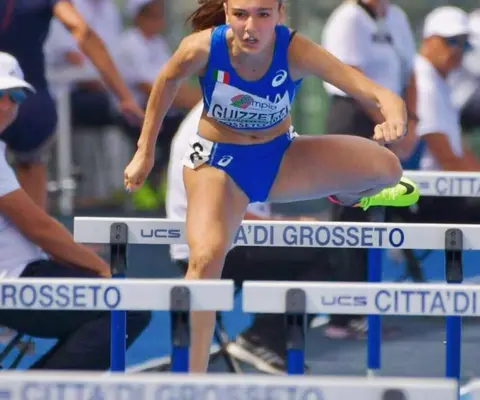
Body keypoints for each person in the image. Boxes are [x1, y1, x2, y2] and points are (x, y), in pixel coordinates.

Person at [124, 0, 419, 373]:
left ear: (280, 14)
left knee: (387, 167)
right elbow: (165, 82)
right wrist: (144, 153)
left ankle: (342, 192)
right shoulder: (201, 47)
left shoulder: (295, 49)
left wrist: (394, 117)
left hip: (278, 160)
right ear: (227, 14)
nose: (251, 27)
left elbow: (373, 91)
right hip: (218, 165)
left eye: (263, 15)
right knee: (206, 258)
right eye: (241, 15)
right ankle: (189, 382)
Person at [0, 52, 151, 370]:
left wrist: (74, 254)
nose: (6, 105)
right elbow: (37, 226)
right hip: (13, 283)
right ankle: (39, 393)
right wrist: (104, 271)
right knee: (129, 304)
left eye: (14, 96)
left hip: (18, 276)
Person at [167, 102, 334, 374]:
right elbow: (221, 211)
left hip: (228, 239)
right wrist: (292, 223)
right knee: (330, 250)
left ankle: (268, 334)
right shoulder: (212, 128)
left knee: (321, 239)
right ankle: (264, 337)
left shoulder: (232, 116)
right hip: (210, 248)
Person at [320, 0, 417, 339]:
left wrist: (408, 121)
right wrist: (393, 125)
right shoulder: (348, 19)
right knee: (349, 218)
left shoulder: (397, 17)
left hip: (387, 120)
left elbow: (411, 73)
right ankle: (343, 316)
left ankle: (362, 306)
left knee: (371, 216)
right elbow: (353, 82)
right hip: (354, 118)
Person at [0, 0, 144, 210]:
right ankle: (36, 241)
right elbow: (82, 31)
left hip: (28, 100)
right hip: (28, 98)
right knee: (31, 174)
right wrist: (124, 96)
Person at [117, 0, 202, 210]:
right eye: (153, 16)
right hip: (134, 111)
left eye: (160, 16)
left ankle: (163, 183)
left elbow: (176, 83)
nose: (159, 21)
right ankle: (145, 187)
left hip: (161, 109)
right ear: (139, 17)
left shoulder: (157, 43)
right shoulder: (130, 44)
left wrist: (202, 100)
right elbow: (153, 87)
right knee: (178, 125)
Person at [413, 6, 480, 223]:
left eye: (464, 43)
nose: (458, 50)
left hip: (445, 190)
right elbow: (447, 158)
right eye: (451, 41)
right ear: (428, 40)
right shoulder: (423, 82)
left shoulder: (438, 81)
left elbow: (459, 150)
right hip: (431, 195)